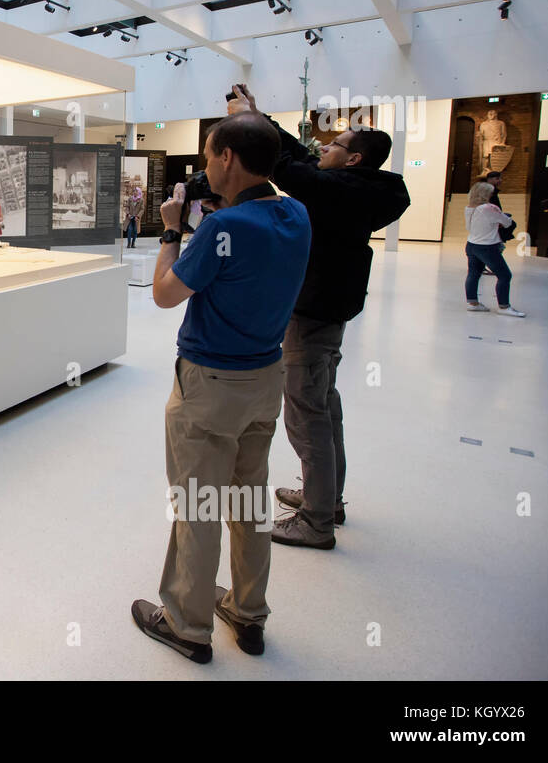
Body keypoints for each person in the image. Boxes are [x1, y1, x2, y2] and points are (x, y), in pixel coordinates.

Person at [132, 111, 311, 664]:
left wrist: (169, 228)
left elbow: (165, 293)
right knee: (249, 498)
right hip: (265, 380)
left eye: (210, 153)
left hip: (210, 385)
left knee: (197, 503)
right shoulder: (296, 214)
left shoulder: (221, 228)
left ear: (227, 158)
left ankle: (187, 624)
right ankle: (249, 612)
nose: (206, 163)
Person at [231, 85, 411, 550]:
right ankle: (326, 499)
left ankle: (316, 520)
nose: (324, 147)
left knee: (307, 412)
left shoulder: (340, 192)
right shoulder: (356, 187)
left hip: (314, 315)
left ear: (352, 160)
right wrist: (260, 115)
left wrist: (253, 123)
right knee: (324, 406)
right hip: (326, 311)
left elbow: (290, 168)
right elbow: (300, 161)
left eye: (334, 145)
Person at [464, 180, 525, 318]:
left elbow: (469, 227)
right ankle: (504, 306)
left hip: (472, 244)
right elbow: (507, 222)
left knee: (473, 273)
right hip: (487, 246)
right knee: (504, 275)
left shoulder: (469, 208)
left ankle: (472, 303)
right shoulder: (489, 208)